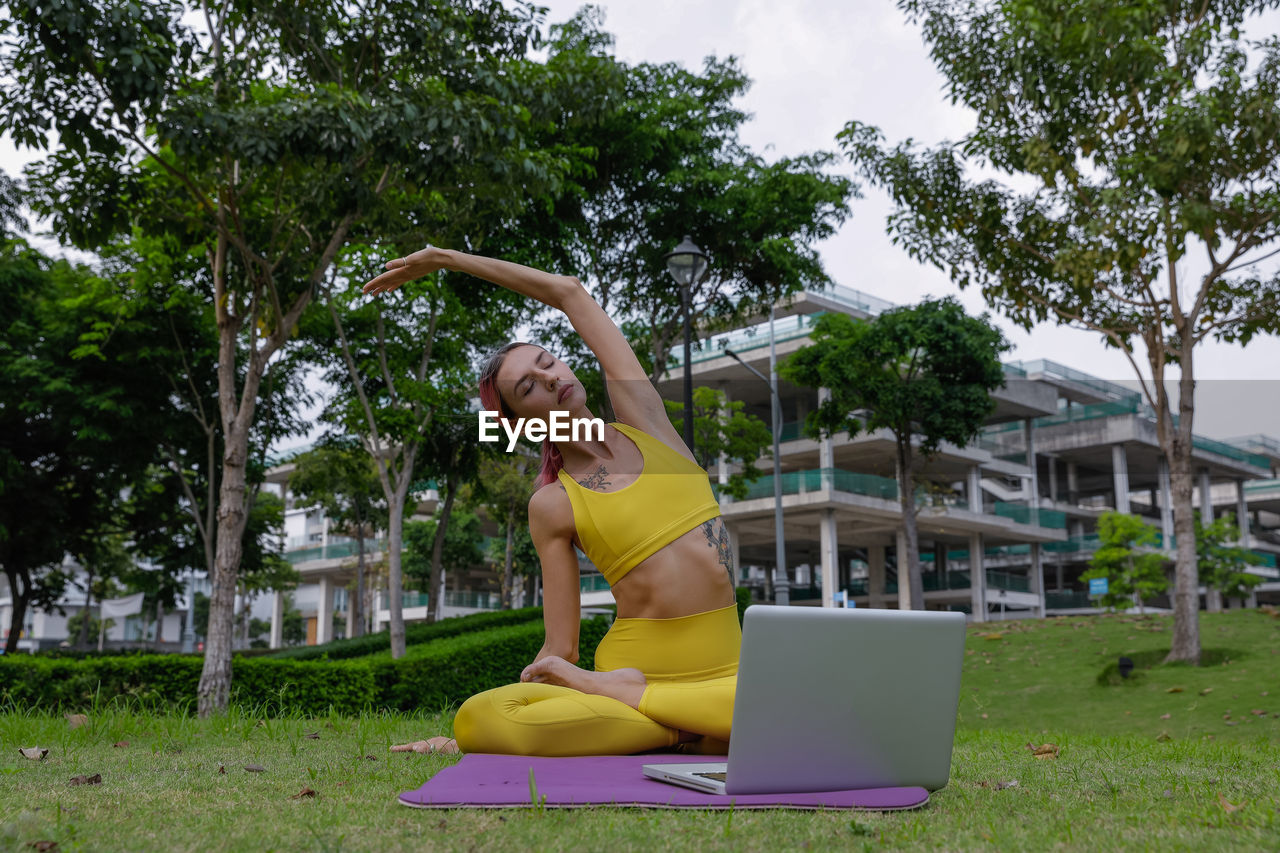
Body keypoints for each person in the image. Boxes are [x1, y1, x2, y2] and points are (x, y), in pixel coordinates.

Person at [365, 245, 740, 757]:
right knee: (481, 716)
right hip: (638, 669)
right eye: (529, 386)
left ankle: (670, 719)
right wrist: (483, 728)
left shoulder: (647, 420)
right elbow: (560, 652)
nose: (551, 378)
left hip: (728, 674)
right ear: (519, 423)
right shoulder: (553, 505)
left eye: (548, 363)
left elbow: (567, 292)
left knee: (805, 692)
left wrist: (451, 260)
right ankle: (690, 722)